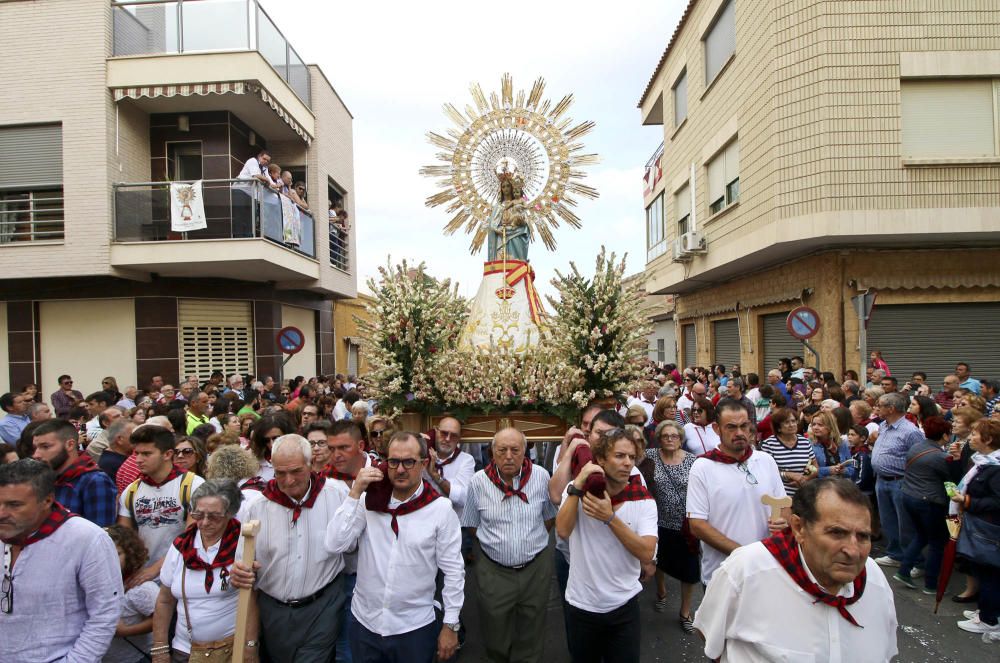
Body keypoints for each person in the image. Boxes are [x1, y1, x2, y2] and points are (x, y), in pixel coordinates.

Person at [694, 477, 899, 661]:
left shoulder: (874, 579)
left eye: (863, 536)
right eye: (837, 533)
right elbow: (708, 633)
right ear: (799, 528)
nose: (853, 551)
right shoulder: (747, 570)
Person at [326, 432, 464, 663]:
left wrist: (451, 624)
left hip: (413, 627)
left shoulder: (440, 510)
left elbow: (453, 570)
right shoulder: (369, 501)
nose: (400, 470)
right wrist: (355, 493)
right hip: (365, 624)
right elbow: (334, 544)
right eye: (394, 462)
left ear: (424, 463)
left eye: (409, 462)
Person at [231, 435, 348, 662]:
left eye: (296, 471)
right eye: (280, 473)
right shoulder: (257, 506)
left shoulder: (336, 494)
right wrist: (240, 572)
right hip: (273, 610)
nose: (289, 481)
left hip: (322, 606)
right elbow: (243, 564)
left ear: (310, 464)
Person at [0, 459, 122, 662]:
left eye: (14, 505)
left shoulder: (86, 538)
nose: (2, 513)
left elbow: (105, 612)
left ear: (47, 501)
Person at [556, 427, 657, 663]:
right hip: (581, 605)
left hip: (624, 606)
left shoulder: (642, 500)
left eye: (631, 457)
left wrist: (610, 518)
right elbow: (562, 531)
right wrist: (577, 484)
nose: (627, 463)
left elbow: (646, 552)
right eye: (619, 456)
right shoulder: (578, 492)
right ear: (600, 459)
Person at [460, 427, 556, 662]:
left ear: (525, 451)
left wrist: (527, 543)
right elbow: (472, 524)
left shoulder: (541, 476)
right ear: (492, 452)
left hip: (535, 568)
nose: (509, 456)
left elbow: (549, 517)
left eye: (515, 450)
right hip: (493, 570)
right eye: (502, 450)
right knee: (494, 628)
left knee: (532, 627)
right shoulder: (478, 481)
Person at [151, 480, 259, 662]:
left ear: (230, 514)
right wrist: (160, 648)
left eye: (215, 516)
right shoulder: (181, 547)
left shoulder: (243, 546)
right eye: (198, 515)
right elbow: (164, 600)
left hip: (231, 650)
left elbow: (252, 601)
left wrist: (250, 647)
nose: (205, 522)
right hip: (185, 651)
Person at [686, 399, 789, 585]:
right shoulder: (702, 467)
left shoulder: (766, 460)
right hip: (723, 575)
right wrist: (743, 554)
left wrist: (784, 522)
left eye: (744, 426)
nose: (739, 433)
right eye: (731, 427)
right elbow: (697, 525)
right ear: (717, 429)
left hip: (767, 570)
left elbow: (783, 505)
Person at [118, 425, 204, 585]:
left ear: (167, 454)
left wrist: (154, 569)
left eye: (146, 454)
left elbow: (192, 536)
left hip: (182, 576)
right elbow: (125, 540)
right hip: (142, 579)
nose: (138, 459)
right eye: (136, 453)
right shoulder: (131, 491)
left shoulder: (193, 485)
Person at [892, 417, 962, 594]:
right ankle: (931, 584)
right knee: (937, 543)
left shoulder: (917, 447)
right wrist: (957, 459)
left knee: (921, 535)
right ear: (945, 436)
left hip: (909, 496)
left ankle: (904, 570)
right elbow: (953, 479)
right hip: (929, 501)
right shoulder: (941, 457)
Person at [645, 420, 699, 631]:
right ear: (659, 438)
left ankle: (685, 612)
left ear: (681, 439)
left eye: (674, 436)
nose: (670, 439)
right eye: (665, 436)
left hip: (685, 525)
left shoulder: (693, 461)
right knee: (659, 561)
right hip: (657, 522)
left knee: (689, 570)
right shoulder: (650, 456)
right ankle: (661, 592)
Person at [951, 418, 1000, 638]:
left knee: (989, 573)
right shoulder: (983, 462)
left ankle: (990, 620)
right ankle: (986, 612)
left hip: (988, 528)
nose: (970, 438)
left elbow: (997, 501)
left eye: (975, 434)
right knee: (982, 570)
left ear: (988, 440)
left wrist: (967, 500)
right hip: (978, 524)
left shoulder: (996, 468)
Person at [871, 391, 925, 567]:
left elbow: (919, 458)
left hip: (900, 481)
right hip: (882, 480)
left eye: (880, 405)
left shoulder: (910, 431)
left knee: (905, 523)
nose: (876, 408)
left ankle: (914, 560)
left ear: (891, 408)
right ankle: (895, 554)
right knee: (888, 520)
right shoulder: (884, 425)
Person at [32, 418, 118, 526]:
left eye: (45, 447)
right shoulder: (45, 478)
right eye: (35, 448)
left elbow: (101, 534)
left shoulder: (94, 481)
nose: (36, 455)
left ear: (70, 445)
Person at [104, 524, 158, 663]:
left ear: (130, 553)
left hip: (137, 658)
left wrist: (125, 631)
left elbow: (161, 619)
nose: (110, 558)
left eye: (117, 554)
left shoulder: (142, 589)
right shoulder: (98, 586)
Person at [426, 416, 476, 560]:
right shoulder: (423, 456)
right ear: (436, 431)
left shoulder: (466, 460)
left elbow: (464, 499)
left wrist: (436, 477)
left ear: (459, 439)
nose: (447, 439)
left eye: (453, 436)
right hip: (425, 525)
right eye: (443, 433)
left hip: (455, 529)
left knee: (453, 574)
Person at [760, 407, 815, 496]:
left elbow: (813, 465)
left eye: (793, 421)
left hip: (803, 493)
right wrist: (788, 474)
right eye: (787, 422)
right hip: (778, 495)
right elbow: (765, 472)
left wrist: (805, 478)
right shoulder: (769, 444)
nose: (791, 425)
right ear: (778, 427)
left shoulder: (804, 441)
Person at [249, 412, 295, 482]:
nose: (272, 444)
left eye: (276, 438)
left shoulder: (300, 458)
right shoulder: (254, 462)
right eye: (266, 440)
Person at [810, 410, 855, 480]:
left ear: (830, 426)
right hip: (819, 486)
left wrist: (842, 470)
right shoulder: (809, 444)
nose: (815, 427)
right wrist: (828, 470)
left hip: (840, 486)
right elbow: (807, 471)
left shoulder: (841, 443)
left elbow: (851, 469)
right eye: (813, 424)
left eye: (820, 425)